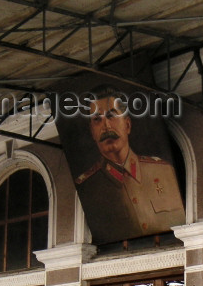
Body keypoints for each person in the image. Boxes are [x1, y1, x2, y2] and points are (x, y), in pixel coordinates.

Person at [73, 86, 185, 244]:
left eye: (112, 116)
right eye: (97, 119)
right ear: (92, 132)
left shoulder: (164, 171)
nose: (106, 126)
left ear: (127, 125)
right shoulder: (87, 187)